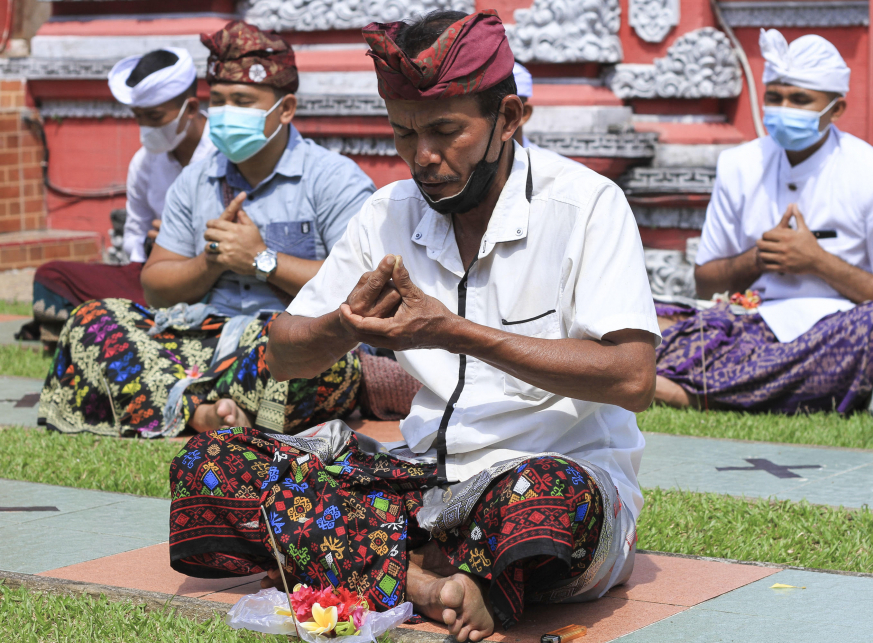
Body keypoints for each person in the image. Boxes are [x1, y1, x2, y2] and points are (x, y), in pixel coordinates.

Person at [167, 10, 659, 643]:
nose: (422, 158)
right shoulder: (386, 213)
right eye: (403, 135)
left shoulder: (586, 205)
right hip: (418, 483)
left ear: (507, 119)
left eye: (446, 132)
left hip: (539, 480)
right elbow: (284, 356)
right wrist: (344, 327)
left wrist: (455, 332)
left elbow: (633, 378)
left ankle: (388, 561)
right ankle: (433, 583)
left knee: (551, 497)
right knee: (214, 463)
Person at [39, 21, 376, 438]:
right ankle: (208, 412)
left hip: (281, 340)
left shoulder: (334, 179)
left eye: (242, 100)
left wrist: (261, 261)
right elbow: (156, 287)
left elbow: (364, 289)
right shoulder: (196, 181)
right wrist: (211, 262)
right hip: (200, 336)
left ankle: (186, 404)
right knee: (94, 320)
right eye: (218, 100)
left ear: (285, 109)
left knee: (330, 362)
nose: (225, 112)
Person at [654, 29, 873, 415]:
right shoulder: (739, 165)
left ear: (836, 109)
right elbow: (706, 284)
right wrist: (758, 259)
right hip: (748, 326)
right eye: (775, 98)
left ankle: (687, 391)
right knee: (654, 315)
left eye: (800, 100)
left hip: (834, 335)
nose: (783, 109)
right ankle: (753, 391)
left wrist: (817, 262)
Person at [27, 48, 215, 346]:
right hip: (154, 279)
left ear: (190, 108)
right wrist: (149, 246)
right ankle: (134, 323)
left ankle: (109, 326)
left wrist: (182, 243)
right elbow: (135, 233)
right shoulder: (144, 162)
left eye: (153, 117)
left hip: (210, 278)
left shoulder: (224, 154)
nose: (145, 128)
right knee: (53, 275)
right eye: (138, 117)